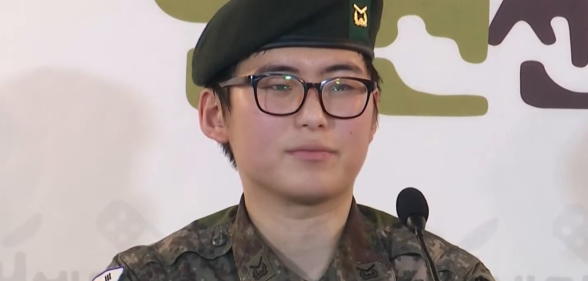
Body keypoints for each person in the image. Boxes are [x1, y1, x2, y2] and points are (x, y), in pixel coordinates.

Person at [95, 0, 497, 280]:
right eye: (279, 85)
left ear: (373, 113)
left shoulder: (443, 274)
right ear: (216, 115)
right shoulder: (153, 275)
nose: (313, 115)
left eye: (340, 86)